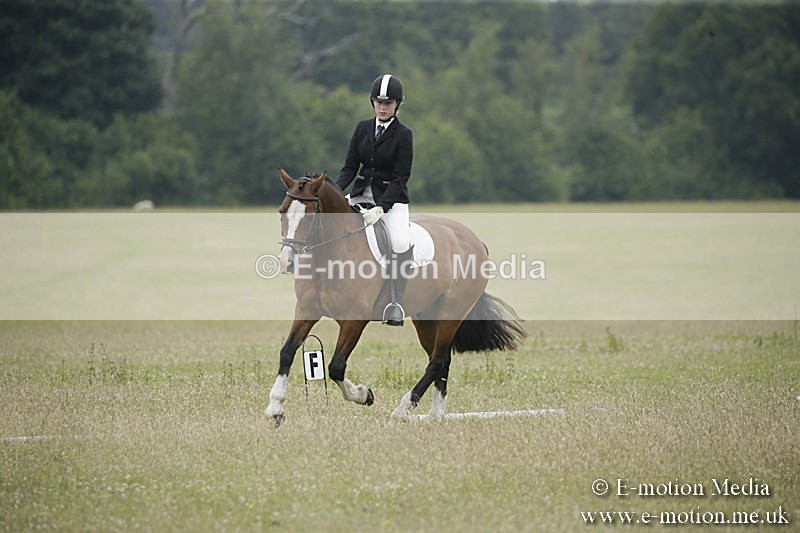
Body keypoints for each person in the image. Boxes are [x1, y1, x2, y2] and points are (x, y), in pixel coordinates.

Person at [336, 74, 413, 326]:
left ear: (397, 104)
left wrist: (382, 206)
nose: (382, 107)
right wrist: (334, 192)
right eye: (378, 102)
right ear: (372, 103)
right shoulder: (362, 128)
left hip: (391, 199)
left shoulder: (404, 135)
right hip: (360, 194)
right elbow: (349, 168)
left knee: (400, 242)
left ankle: (395, 302)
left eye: (388, 103)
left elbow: (401, 177)